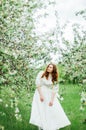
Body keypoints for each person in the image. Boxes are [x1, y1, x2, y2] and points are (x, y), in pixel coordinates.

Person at [29, 63, 71, 130]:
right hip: (39, 93)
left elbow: (55, 90)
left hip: (49, 94)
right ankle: (42, 125)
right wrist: (41, 95)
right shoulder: (41, 73)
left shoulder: (54, 77)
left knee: (51, 109)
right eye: (48, 67)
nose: (48, 68)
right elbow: (38, 85)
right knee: (41, 109)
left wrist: (52, 100)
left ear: (53, 69)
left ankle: (49, 125)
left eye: (50, 67)